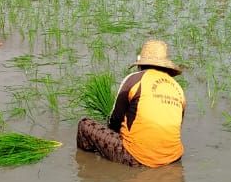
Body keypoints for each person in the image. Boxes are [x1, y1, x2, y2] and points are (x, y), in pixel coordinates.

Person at [76, 40, 186, 168]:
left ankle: (88, 168)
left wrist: (110, 136)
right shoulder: (178, 89)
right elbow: (177, 126)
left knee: (85, 125)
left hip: (136, 158)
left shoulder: (134, 79)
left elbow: (115, 120)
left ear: (141, 65)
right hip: (173, 158)